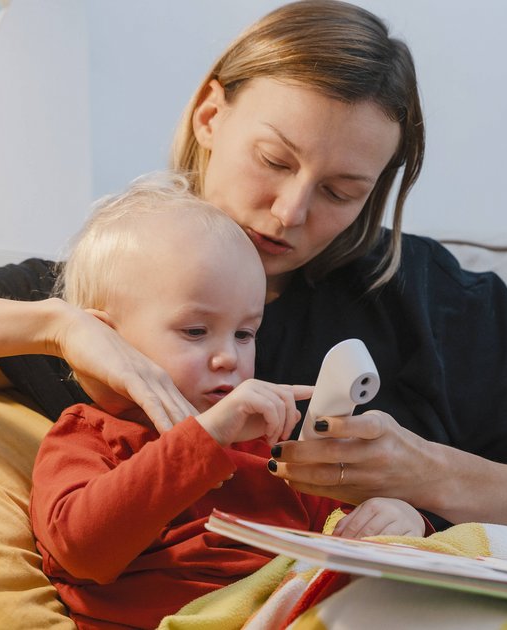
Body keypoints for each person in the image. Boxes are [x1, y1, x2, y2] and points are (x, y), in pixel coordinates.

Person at [0, 0, 507, 529]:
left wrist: (424, 471)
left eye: (343, 190)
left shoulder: (432, 297)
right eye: (275, 161)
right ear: (211, 113)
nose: (291, 213)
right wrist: (59, 324)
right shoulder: (110, 298)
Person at [31, 171, 425, 629]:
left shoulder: (266, 451)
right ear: (105, 339)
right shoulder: (85, 438)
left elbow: (340, 528)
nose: (228, 357)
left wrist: (397, 518)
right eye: (195, 331)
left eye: (245, 333)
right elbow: (83, 550)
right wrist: (207, 436)